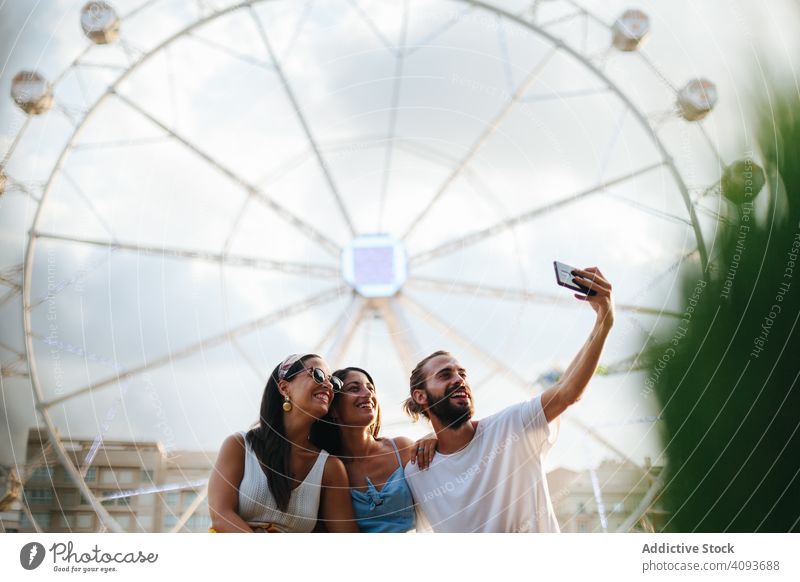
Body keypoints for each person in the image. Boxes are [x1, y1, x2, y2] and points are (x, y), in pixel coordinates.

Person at [403, 266, 615, 532]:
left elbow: (567, 391)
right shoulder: (417, 472)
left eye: (462, 373)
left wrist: (604, 320)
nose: (459, 380)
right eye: (445, 375)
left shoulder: (513, 426)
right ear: (420, 396)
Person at [208, 353, 358, 532]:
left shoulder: (330, 469)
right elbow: (221, 516)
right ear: (284, 387)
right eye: (317, 374)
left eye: (333, 382)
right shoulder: (240, 446)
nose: (328, 385)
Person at [322, 366, 437, 533]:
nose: (368, 394)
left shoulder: (402, 449)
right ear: (333, 408)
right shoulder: (330, 470)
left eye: (370, 388)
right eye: (354, 388)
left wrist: (435, 439)